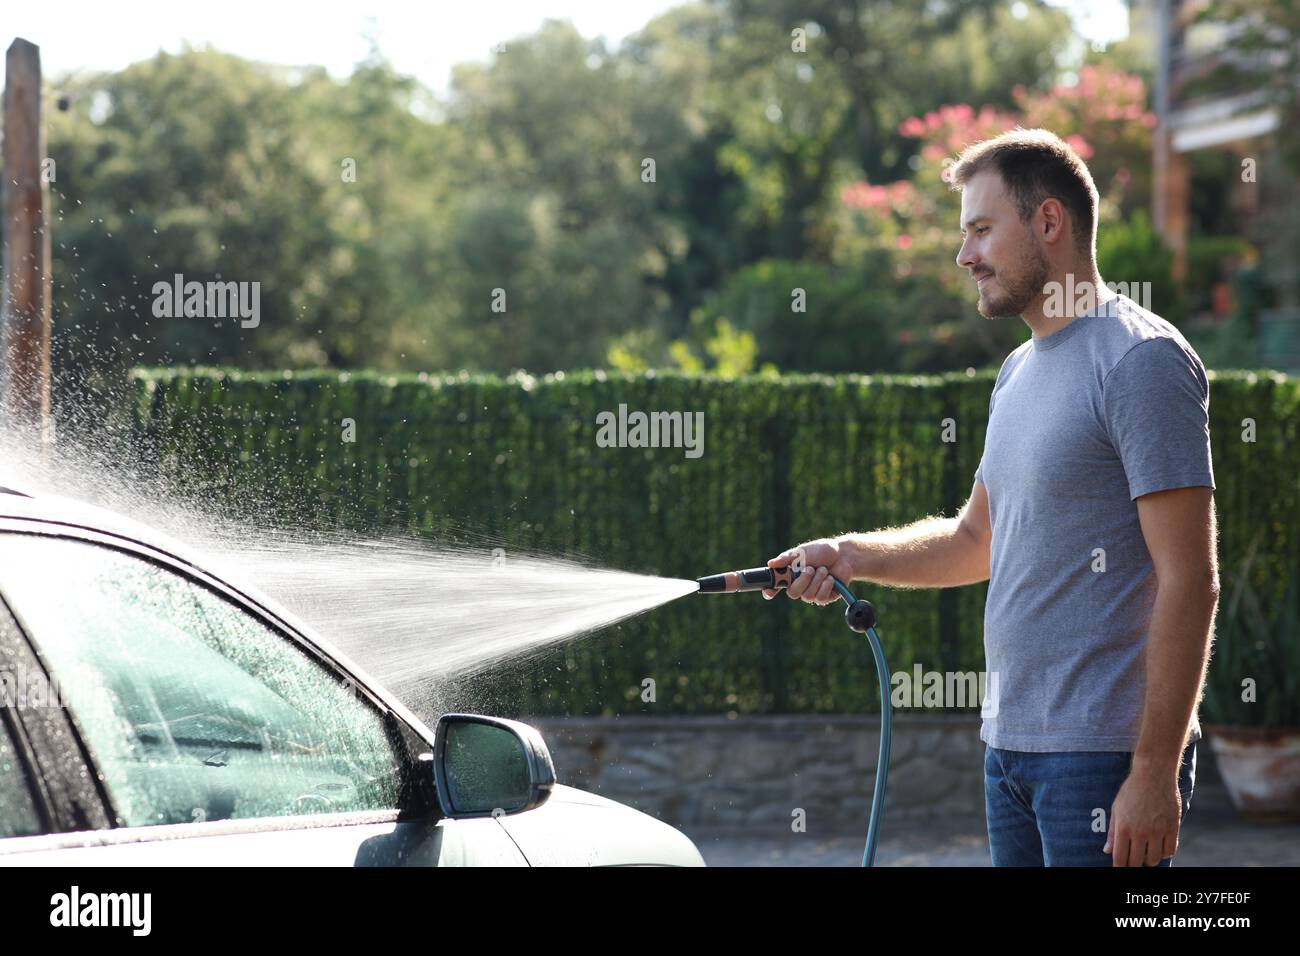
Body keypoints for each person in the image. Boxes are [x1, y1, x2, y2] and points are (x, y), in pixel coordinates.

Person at [766, 128, 1218, 867]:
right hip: (1009, 751)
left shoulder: (1141, 362)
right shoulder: (1017, 372)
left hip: (1101, 760)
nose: (963, 254)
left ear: (1048, 222)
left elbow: (1191, 580)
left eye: (981, 229)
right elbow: (976, 539)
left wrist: (1153, 772)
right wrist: (848, 554)